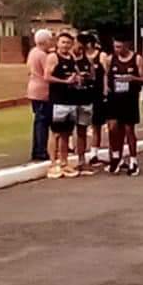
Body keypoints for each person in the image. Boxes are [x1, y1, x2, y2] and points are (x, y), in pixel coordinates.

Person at [103, 37, 143, 176]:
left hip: (130, 99)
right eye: (115, 47)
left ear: (127, 45)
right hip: (114, 98)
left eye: (120, 47)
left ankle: (133, 159)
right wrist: (106, 88)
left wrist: (133, 78)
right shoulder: (110, 59)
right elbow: (106, 75)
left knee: (128, 129)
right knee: (113, 127)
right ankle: (116, 157)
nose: (117, 50)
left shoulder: (137, 59)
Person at [44, 32, 80, 178]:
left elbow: (75, 75)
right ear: (57, 43)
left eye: (68, 43)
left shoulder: (72, 58)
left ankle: (64, 162)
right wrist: (65, 82)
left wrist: (77, 80)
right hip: (57, 100)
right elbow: (47, 76)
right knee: (56, 133)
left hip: (70, 100)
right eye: (63, 42)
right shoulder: (53, 57)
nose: (65, 45)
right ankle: (53, 163)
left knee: (66, 133)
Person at [71, 34, 97, 175]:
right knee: (63, 132)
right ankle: (60, 160)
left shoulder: (88, 60)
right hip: (69, 99)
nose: (80, 47)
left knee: (82, 130)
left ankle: (81, 160)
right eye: (78, 44)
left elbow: (93, 76)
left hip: (85, 98)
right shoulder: (68, 59)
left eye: (83, 45)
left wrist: (86, 76)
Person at [26, 28, 53, 162]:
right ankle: (41, 151)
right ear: (45, 41)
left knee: (38, 121)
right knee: (43, 122)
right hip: (42, 90)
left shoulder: (33, 52)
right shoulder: (42, 55)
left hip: (33, 89)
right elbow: (48, 73)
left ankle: (37, 149)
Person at [83, 33, 108, 167]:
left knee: (97, 123)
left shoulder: (101, 55)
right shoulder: (80, 56)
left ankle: (94, 152)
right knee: (82, 122)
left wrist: (105, 90)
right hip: (84, 92)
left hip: (97, 92)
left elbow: (105, 74)